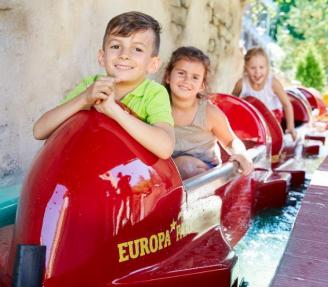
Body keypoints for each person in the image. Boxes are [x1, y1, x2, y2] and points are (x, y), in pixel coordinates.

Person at [33, 11, 174, 159]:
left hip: (129, 173)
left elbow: (165, 148)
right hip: (88, 166)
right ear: (102, 57)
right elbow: (39, 131)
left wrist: (114, 111)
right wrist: (84, 99)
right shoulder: (91, 86)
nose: (124, 54)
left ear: (153, 64)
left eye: (137, 49)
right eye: (115, 46)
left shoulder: (154, 93)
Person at [163, 46, 254, 179]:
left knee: (184, 166)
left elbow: (230, 141)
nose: (187, 80)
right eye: (181, 73)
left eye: (195, 77)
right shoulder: (159, 106)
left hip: (204, 172)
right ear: (167, 77)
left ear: (202, 85)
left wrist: (241, 153)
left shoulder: (208, 113)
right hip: (169, 169)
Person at [232, 47, 297, 141]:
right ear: (246, 68)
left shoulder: (273, 83)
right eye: (253, 68)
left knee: (267, 137)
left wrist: (290, 127)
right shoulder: (241, 84)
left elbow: (287, 105)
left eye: (261, 67)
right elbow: (231, 104)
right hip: (252, 119)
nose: (257, 72)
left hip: (272, 120)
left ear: (267, 68)